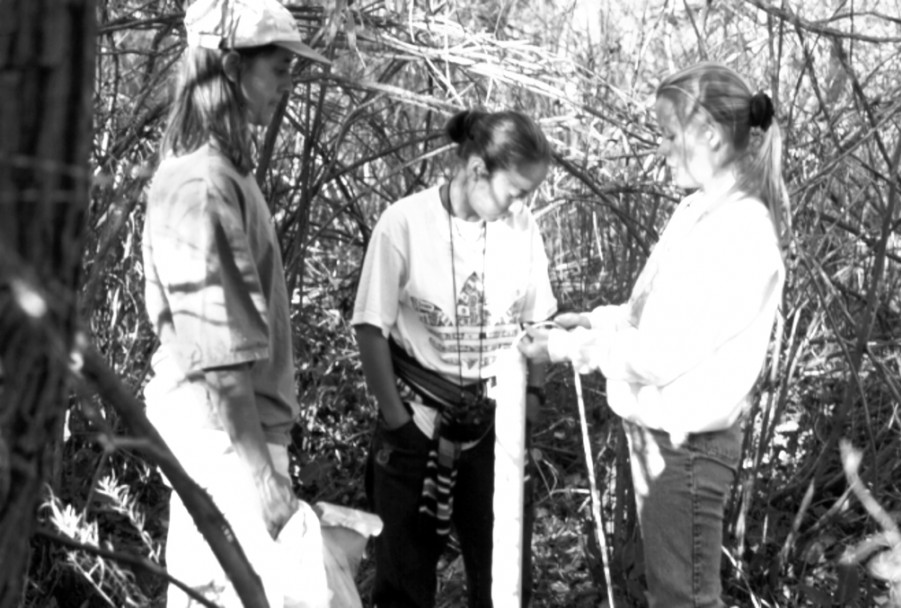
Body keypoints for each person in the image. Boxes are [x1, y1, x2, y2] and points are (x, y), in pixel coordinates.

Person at [519, 62, 789, 607]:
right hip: (662, 445)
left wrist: (565, 348)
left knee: (685, 601)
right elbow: (651, 313)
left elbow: (661, 354)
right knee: (672, 595)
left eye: (669, 135)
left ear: (708, 134)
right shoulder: (697, 211)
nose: (662, 149)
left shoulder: (740, 232)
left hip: (687, 451)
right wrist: (595, 322)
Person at [141, 0, 331, 605]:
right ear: (229, 65)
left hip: (232, 441)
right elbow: (220, 355)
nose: (286, 85)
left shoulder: (222, 173)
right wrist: (261, 478)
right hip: (224, 447)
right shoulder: (200, 185)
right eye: (279, 68)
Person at [351, 109, 558, 608]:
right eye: (517, 191)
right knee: (403, 585)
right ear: (476, 170)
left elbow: (540, 324)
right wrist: (399, 424)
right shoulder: (404, 224)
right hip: (416, 425)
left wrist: (529, 406)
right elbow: (369, 326)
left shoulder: (521, 229)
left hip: (496, 430)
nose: (521, 205)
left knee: (503, 581)